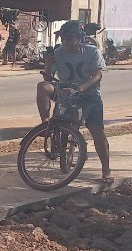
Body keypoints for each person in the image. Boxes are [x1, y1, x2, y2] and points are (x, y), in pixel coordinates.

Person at [37, 20, 111, 183]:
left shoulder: (91, 52)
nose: (65, 42)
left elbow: (98, 75)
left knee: (97, 132)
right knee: (42, 87)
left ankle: (106, 170)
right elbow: (48, 79)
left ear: (79, 38)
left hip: (88, 93)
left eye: (69, 38)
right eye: (63, 38)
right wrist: (48, 66)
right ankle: (46, 123)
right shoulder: (58, 53)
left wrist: (79, 89)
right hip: (64, 91)